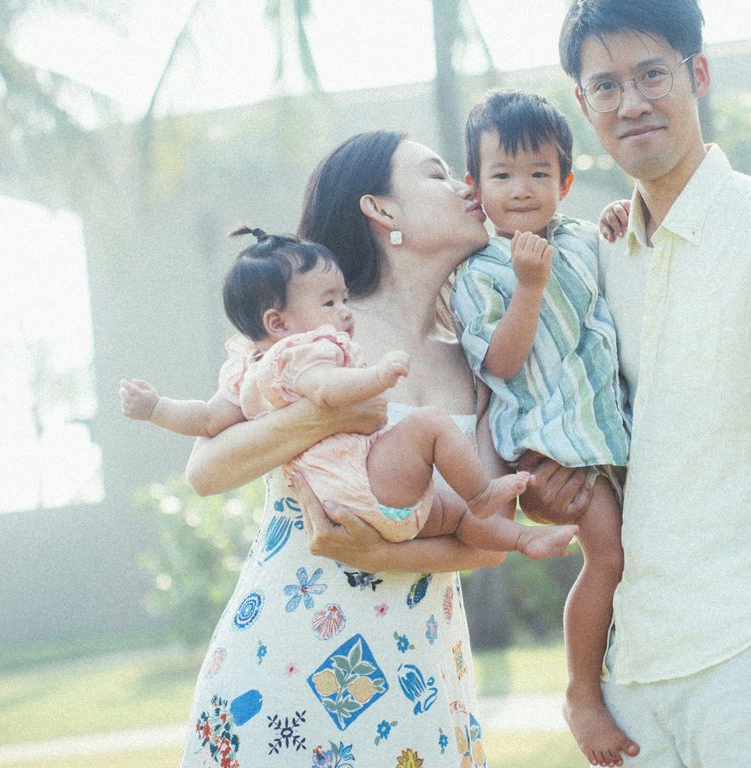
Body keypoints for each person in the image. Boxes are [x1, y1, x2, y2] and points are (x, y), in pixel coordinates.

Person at [528, 1, 751, 765]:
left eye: (653, 74)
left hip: (749, 656)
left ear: (699, 76)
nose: (633, 103)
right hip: (635, 674)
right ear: (584, 108)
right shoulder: (603, 258)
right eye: (606, 86)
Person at [172, 131, 538, 768]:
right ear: (383, 210)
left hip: (420, 670)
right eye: (438, 174)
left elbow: (489, 537)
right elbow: (206, 470)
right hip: (290, 655)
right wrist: (324, 412)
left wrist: (370, 549)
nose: (468, 188)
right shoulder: (322, 334)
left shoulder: (474, 364)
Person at [119, 227, 576, 560]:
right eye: (331, 302)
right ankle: (485, 501)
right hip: (359, 494)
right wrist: (374, 378)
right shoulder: (308, 350)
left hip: (377, 510)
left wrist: (157, 409)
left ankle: (522, 538)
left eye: (342, 299)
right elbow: (321, 391)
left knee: (461, 518)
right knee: (432, 430)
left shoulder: (252, 370)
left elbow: (205, 416)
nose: (344, 313)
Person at [449, 88, 635, 766]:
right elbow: (498, 360)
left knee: (631, 558)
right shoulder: (481, 271)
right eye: (502, 175)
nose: (521, 190)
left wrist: (624, 214)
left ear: (566, 181)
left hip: (607, 427)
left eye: (538, 174)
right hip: (550, 437)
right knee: (608, 557)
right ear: (475, 187)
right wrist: (527, 288)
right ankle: (582, 692)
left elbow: (624, 260)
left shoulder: (585, 239)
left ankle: (618, 676)